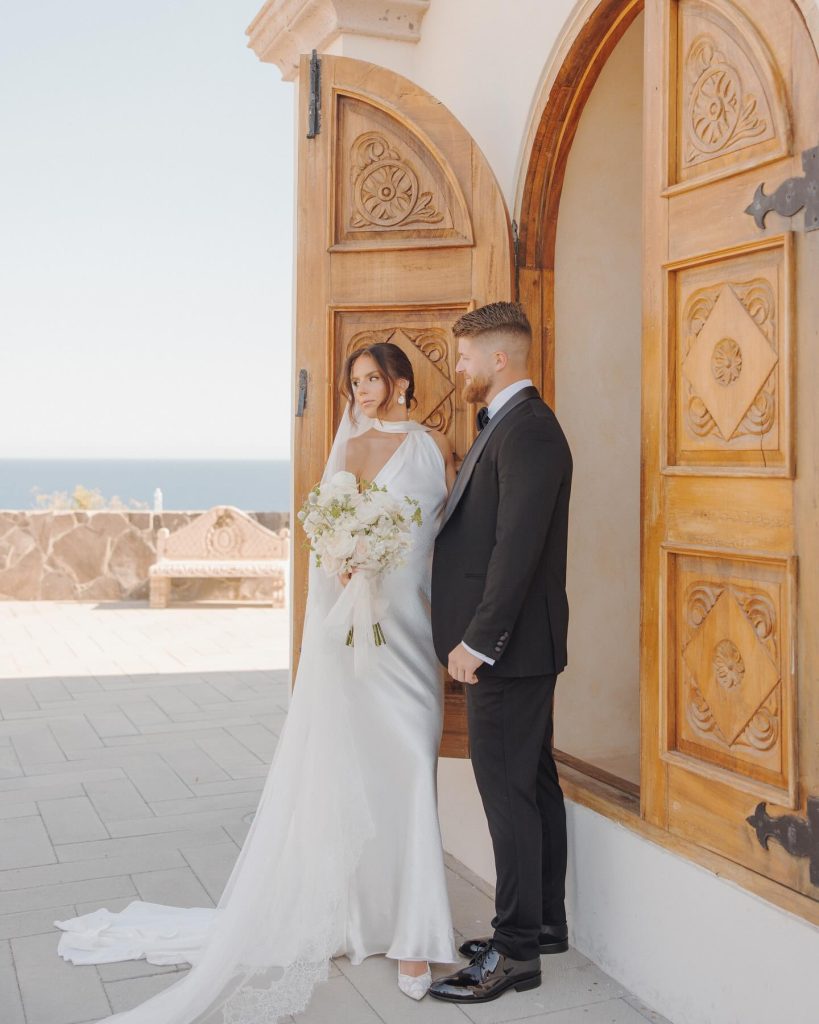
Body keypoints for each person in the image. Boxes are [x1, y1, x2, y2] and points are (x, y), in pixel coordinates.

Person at [53, 341, 460, 1021]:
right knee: (353, 775)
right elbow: (323, 537)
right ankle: (367, 923)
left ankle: (416, 933)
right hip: (346, 637)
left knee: (413, 771)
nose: (361, 391)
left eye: (372, 379)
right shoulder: (347, 446)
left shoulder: (423, 447)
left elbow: (427, 535)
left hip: (405, 636)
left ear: (399, 381)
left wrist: (374, 555)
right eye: (353, 381)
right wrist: (340, 556)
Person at [428, 301, 573, 1005]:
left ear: (497, 359)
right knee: (533, 784)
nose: (457, 370)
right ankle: (542, 923)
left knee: (507, 795)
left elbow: (516, 551)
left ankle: (515, 954)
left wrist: (478, 642)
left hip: (506, 651)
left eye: (462, 358)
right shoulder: (509, 426)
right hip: (517, 649)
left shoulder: (531, 432)